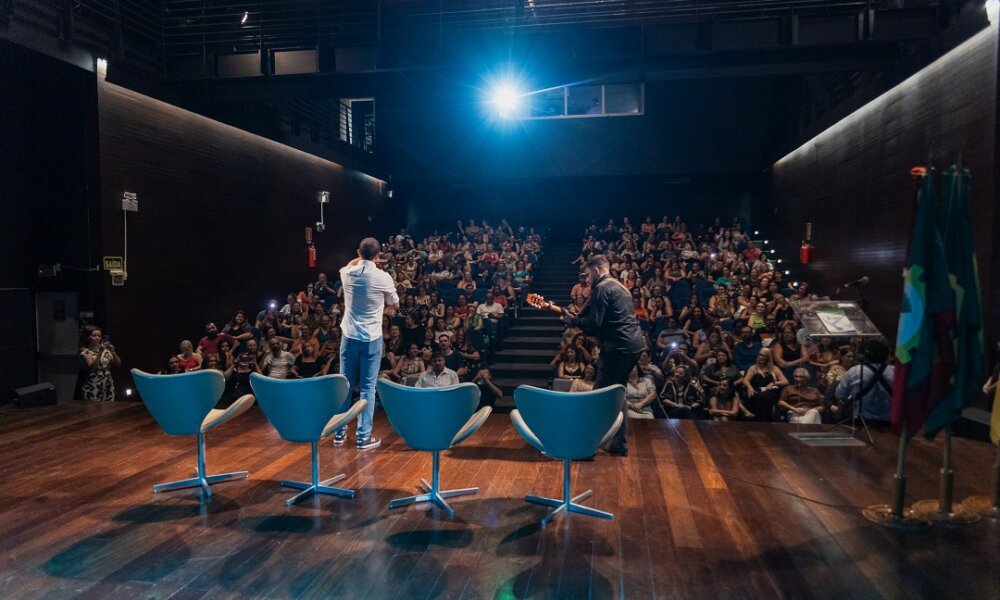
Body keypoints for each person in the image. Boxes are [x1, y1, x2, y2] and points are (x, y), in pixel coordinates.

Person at [561, 254, 646, 456]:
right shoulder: (621, 287)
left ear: (597, 271)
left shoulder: (601, 288)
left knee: (599, 396)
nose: (587, 280)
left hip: (617, 348)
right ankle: (619, 444)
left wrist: (573, 322)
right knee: (618, 395)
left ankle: (586, 448)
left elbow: (594, 324)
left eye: (588, 275)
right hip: (634, 346)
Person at [337, 237, 399, 449]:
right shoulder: (383, 277)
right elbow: (395, 304)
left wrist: (365, 258)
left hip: (349, 336)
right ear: (379, 255)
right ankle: (363, 437)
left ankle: (339, 432)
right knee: (367, 388)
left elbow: (353, 263)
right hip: (371, 338)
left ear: (358, 252)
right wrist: (375, 263)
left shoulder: (346, 273)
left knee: (345, 385)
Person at [835, 338, 894, 422]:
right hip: (889, 422)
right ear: (887, 355)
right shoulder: (895, 371)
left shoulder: (854, 371)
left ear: (864, 354)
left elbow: (840, 394)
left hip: (862, 422)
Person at [78, 325, 120, 401]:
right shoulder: (85, 352)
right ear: (88, 337)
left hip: (107, 384)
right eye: (94, 335)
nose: (97, 338)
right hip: (93, 385)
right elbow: (92, 367)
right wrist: (100, 352)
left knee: (109, 408)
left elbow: (118, 363)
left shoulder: (106, 351)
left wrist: (113, 352)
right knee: (93, 409)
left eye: (99, 336)